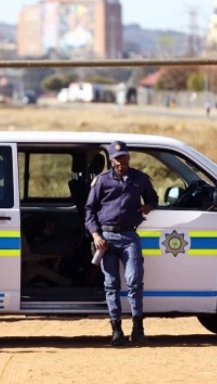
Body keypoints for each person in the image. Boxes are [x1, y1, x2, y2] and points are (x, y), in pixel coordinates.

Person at [84, 141, 159, 346]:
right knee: (111, 285)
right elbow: (89, 210)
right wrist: (96, 236)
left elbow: (153, 199)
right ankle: (116, 331)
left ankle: (138, 330)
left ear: (129, 157)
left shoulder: (140, 178)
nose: (121, 162)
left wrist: (148, 206)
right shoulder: (102, 181)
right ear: (111, 160)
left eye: (124, 157)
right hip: (106, 239)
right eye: (117, 159)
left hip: (129, 236)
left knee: (134, 280)